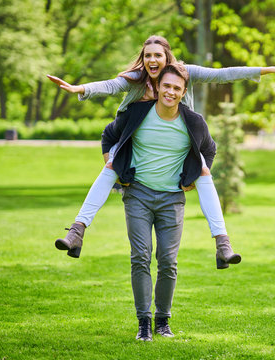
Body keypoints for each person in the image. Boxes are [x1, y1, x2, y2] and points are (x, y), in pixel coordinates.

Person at [50, 35, 275, 268]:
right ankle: (77, 231)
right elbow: (110, 86)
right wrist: (79, 89)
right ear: (143, 59)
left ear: (167, 57)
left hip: (180, 139)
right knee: (109, 168)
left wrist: (269, 70)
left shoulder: (184, 74)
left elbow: (223, 74)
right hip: (132, 140)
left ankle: (223, 244)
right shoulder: (137, 79)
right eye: (147, 55)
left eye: (157, 55)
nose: (152, 60)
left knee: (204, 172)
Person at [102, 63, 210, 340]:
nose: (170, 92)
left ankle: (163, 320)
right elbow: (109, 135)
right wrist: (114, 170)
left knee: (168, 261)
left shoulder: (193, 121)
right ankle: (143, 323)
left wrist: (193, 176)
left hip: (172, 200)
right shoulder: (138, 112)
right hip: (137, 194)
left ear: (184, 91)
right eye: (167, 86)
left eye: (176, 88)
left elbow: (209, 149)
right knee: (140, 257)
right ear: (158, 86)